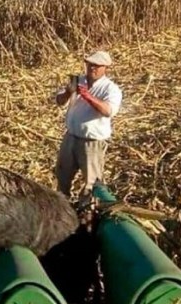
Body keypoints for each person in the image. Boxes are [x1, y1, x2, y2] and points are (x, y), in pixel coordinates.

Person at [54, 50, 122, 201]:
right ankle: (62, 206)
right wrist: (68, 92)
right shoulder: (77, 81)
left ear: (106, 68)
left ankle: (87, 213)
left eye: (97, 66)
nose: (92, 68)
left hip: (92, 143)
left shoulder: (111, 89)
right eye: (90, 64)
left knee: (91, 184)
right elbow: (59, 101)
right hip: (70, 137)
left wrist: (87, 96)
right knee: (62, 175)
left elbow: (108, 111)